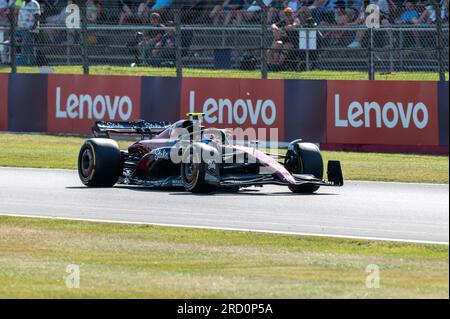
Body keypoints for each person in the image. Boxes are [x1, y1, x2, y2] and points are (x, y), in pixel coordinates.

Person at [17, 0, 40, 66]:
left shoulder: (34, 3)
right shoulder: (23, 3)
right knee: (28, 47)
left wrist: (34, 26)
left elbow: (37, 15)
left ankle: (24, 64)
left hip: (30, 30)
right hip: (23, 29)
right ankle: (31, 63)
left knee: (26, 47)